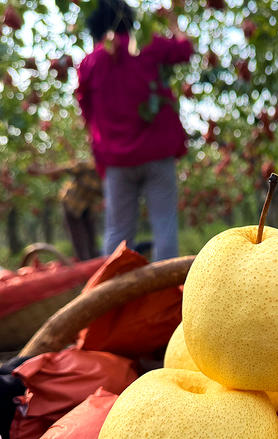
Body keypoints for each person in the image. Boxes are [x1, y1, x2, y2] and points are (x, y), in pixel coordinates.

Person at [76, 0, 193, 261]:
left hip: (117, 159)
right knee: (165, 225)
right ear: (129, 19)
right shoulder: (143, 45)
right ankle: (168, 295)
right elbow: (185, 50)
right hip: (156, 151)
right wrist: (173, 22)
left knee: (117, 231)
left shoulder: (89, 64)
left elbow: (86, 112)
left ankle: (113, 297)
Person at [28, 160, 102, 261]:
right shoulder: (87, 167)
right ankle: (84, 264)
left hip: (86, 207)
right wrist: (40, 171)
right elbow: (63, 169)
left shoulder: (106, 176)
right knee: (79, 238)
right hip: (71, 205)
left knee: (90, 237)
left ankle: (93, 261)